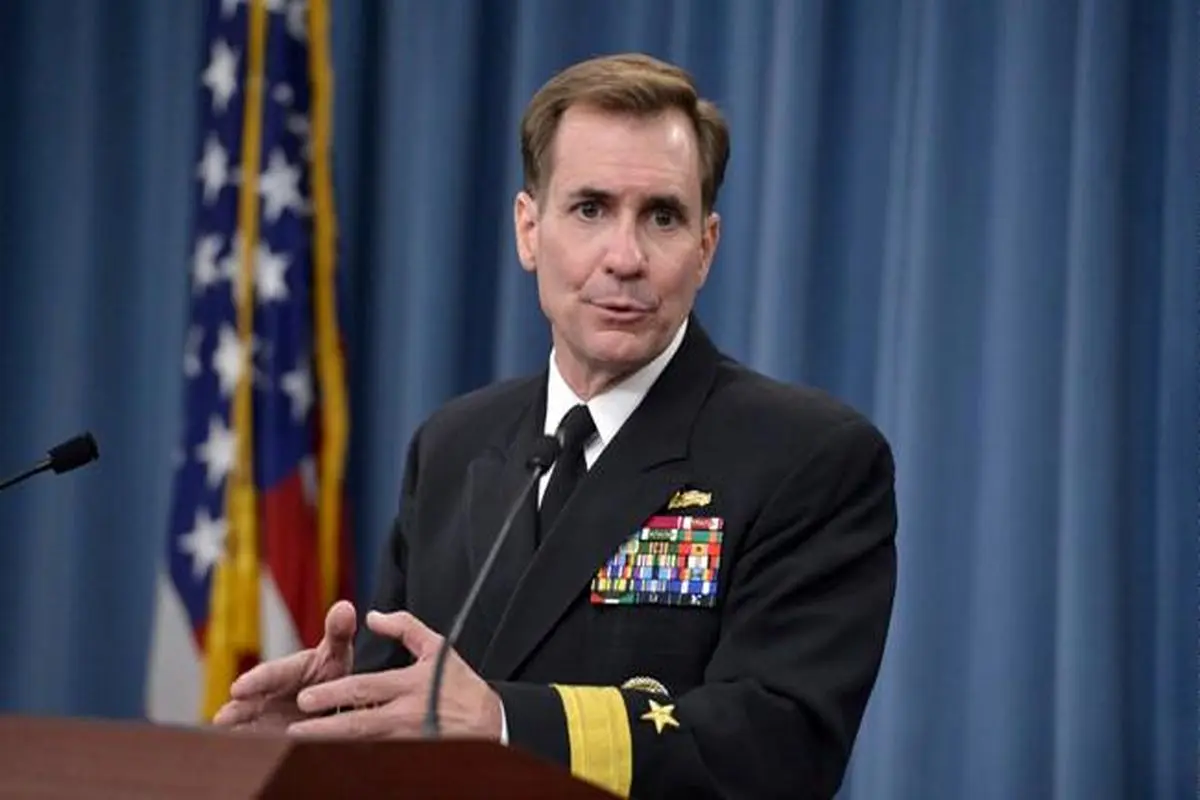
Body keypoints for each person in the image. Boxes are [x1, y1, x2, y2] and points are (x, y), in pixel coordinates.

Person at [213, 52, 897, 800]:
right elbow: (412, 725)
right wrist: (327, 733)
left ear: (705, 249)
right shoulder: (452, 446)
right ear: (529, 229)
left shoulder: (806, 458)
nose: (625, 258)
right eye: (591, 209)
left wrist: (508, 723)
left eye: (662, 217)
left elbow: (778, 748)